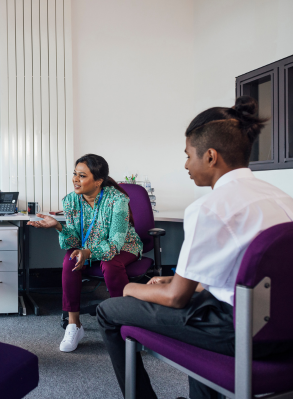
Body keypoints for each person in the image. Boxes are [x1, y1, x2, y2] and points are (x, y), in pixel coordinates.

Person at [96, 96, 293, 399]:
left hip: (238, 330)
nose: (186, 164)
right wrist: (183, 280)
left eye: (188, 155)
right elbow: (246, 274)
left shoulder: (210, 208)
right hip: (283, 328)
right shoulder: (282, 199)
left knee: (110, 310)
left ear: (211, 156)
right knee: (197, 300)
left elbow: (176, 298)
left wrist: (129, 289)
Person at [28, 154, 143, 352]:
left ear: (98, 181)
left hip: (124, 246)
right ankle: (74, 325)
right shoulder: (71, 201)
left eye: (82, 176)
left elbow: (115, 243)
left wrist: (89, 252)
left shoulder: (117, 200)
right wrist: (58, 227)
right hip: (88, 247)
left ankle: (123, 323)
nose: (75, 179)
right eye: (75, 174)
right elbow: (73, 239)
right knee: (69, 260)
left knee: (111, 263)